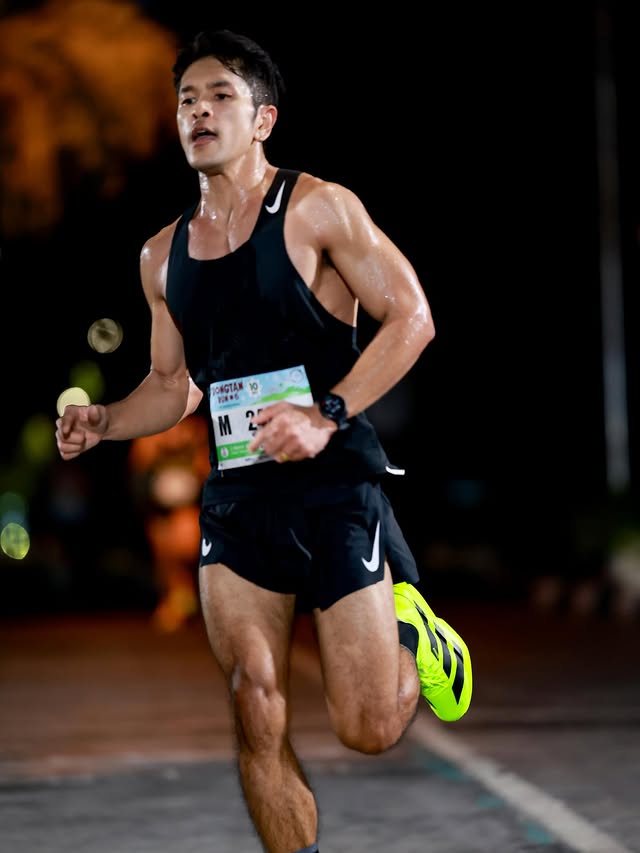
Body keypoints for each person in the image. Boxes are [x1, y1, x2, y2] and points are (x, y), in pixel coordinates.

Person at [55, 29, 472, 853]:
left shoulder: (318, 207)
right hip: (239, 497)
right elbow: (172, 386)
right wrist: (106, 420)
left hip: (333, 485)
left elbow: (412, 318)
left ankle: (413, 628)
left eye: (221, 97)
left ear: (264, 119)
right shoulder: (161, 256)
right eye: (187, 99)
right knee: (254, 695)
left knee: (368, 726)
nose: (199, 111)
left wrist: (326, 412)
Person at [128, 412, 210, 632]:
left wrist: (192, 449)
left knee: (186, 544)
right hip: (158, 509)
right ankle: (176, 596)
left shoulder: (196, 431)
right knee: (164, 553)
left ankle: (189, 596)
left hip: (188, 507)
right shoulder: (149, 432)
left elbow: (206, 469)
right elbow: (138, 468)